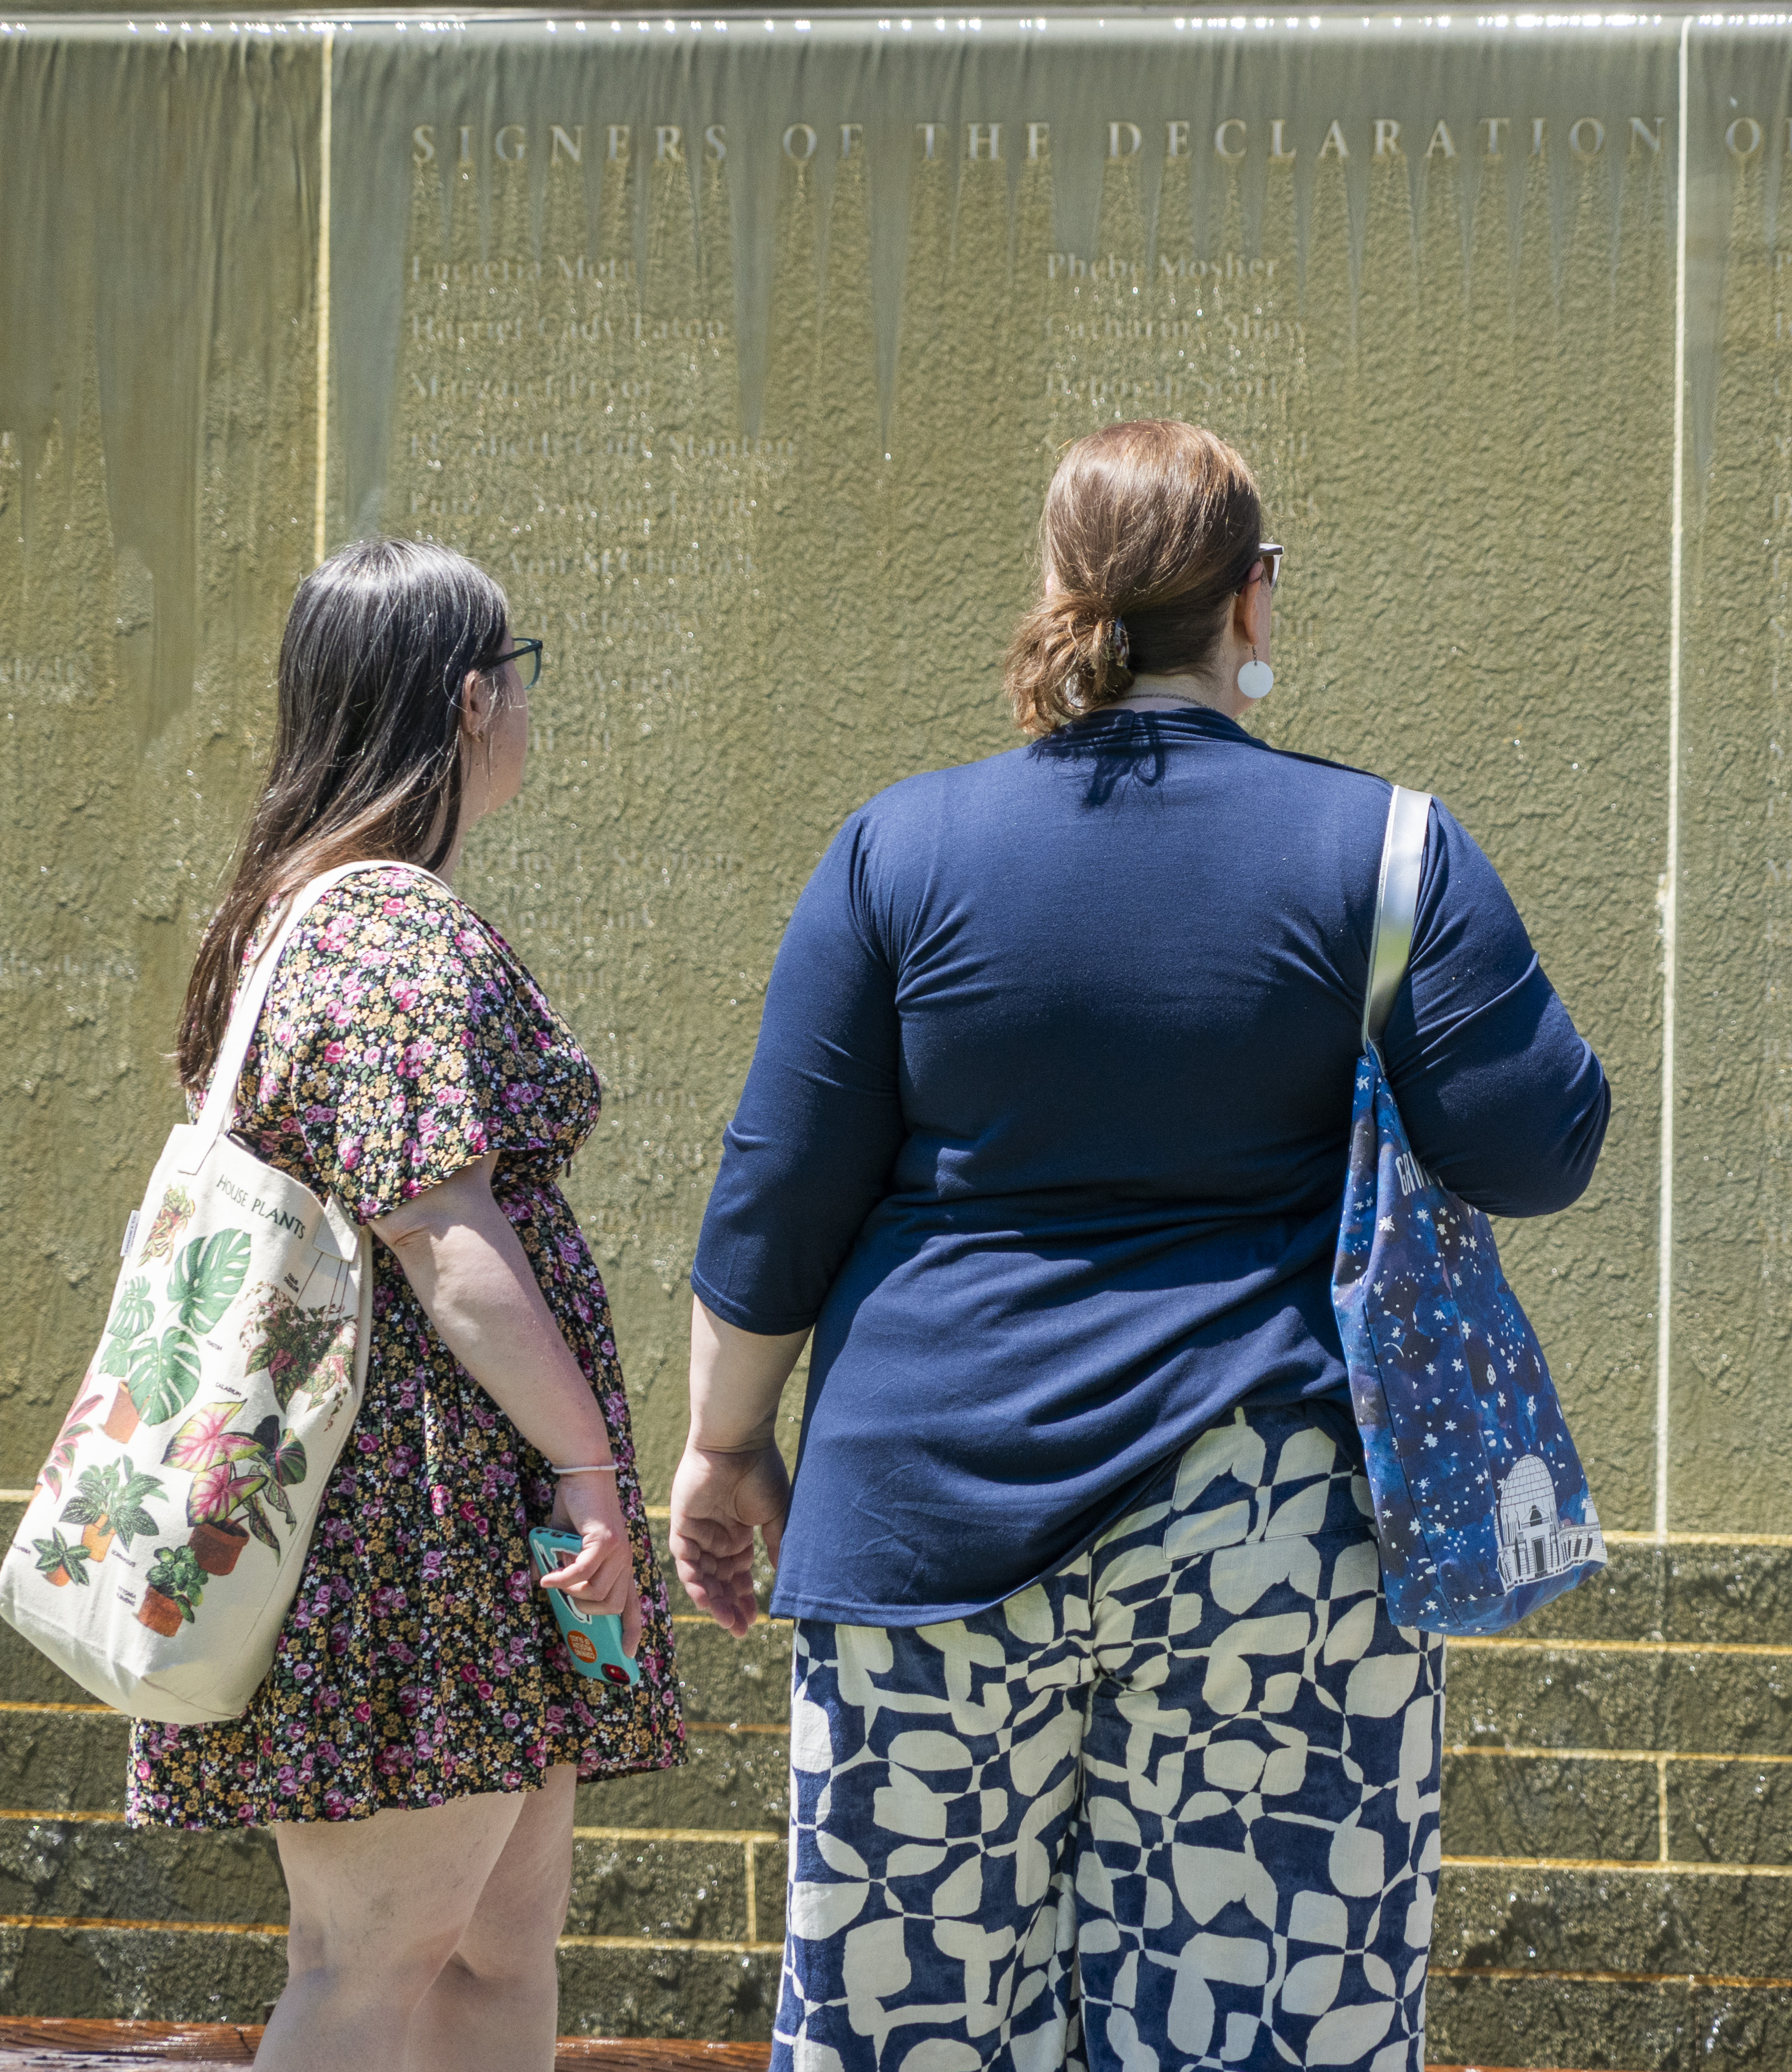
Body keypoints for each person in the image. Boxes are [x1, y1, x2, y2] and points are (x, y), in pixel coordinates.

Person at [668, 421, 1611, 2070]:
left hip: (919, 1513)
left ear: (1056, 596)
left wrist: (723, 1443)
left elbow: (778, 1193)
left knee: (918, 2032)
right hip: (1267, 1525)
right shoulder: (1388, 855)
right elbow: (1542, 1148)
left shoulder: (900, 850)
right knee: (1263, 2030)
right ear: (1254, 604)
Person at [128, 538, 688, 2071]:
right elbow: (441, 1235)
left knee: (494, 1954)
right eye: (520, 678)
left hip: (428, 1526)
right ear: (467, 701)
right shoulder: (387, 936)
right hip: (410, 1525)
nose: (526, 709)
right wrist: (587, 1469)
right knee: (373, 1959)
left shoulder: (301, 916)